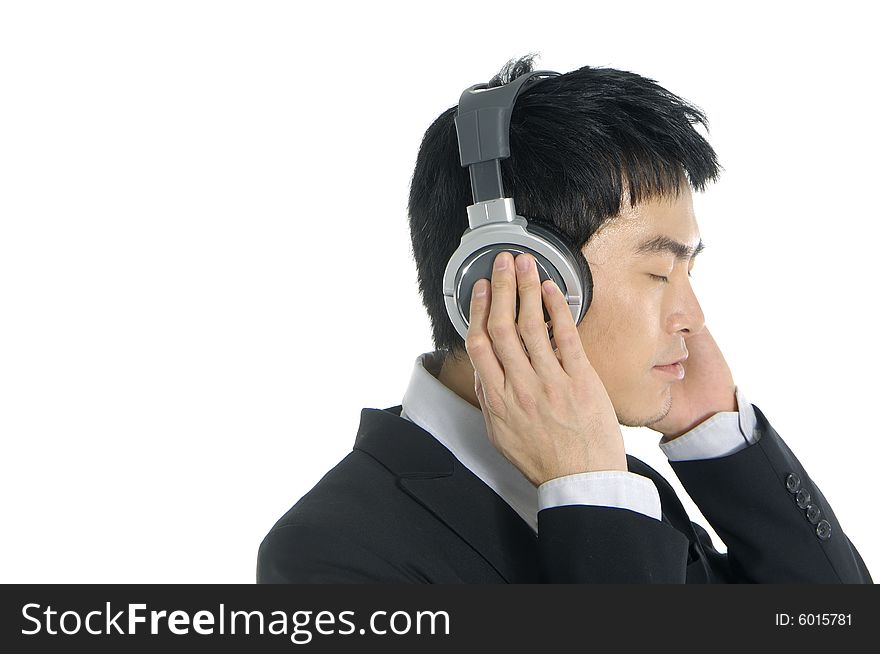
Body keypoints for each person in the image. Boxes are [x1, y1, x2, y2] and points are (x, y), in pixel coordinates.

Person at [256, 55, 872, 583]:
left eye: (691, 273)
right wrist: (595, 508)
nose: (693, 316)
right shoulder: (331, 554)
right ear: (509, 276)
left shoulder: (629, 488)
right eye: (659, 273)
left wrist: (718, 441)